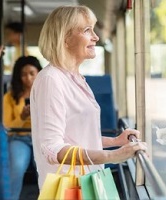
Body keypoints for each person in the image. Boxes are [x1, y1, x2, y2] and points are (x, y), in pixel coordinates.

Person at [30, 5, 147, 189]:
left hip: (89, 181)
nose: (96, 37)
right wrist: (113, 156)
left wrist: (115, 142)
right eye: (87, 30)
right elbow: (52, 148)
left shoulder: (75, 78)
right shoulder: (51, 79)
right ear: (65, 38)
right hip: (70, 187)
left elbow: (78, 137)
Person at [3, 55, 42, 200]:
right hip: (19, 138)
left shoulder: (48, 94)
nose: (28, 78)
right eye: (24, 74)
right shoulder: (10, 97)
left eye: (32, 73)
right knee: (17, 167)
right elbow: (7, 127)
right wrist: (23, 117)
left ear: (39, 73)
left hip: (43, 138)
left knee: (46, 169)